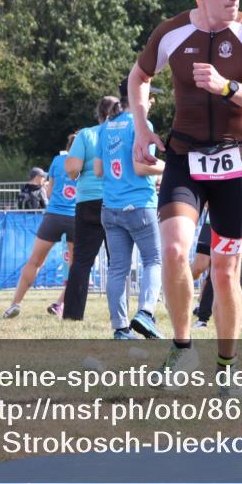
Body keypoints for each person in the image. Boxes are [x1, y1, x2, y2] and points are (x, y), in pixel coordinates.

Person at [129, 0, 242, 382]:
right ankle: (182, 349)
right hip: (184, 158)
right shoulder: (171, 33)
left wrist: (228, 87)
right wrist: (142, 129)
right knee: (176, 249)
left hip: (236, 163)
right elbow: (138, 77)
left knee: (224, 267)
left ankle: (227, 367)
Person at [93, 79, 166, 340]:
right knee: (154, 260)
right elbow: (141, 167)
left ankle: (121, 329)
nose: (153, 101)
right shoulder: (142, 124)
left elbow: (99, 170)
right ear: (139, 96)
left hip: (111, 208)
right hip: (139, 205)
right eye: (151, 95)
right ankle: (146, 313)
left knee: (117, 269)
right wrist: (170, 168)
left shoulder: (105, 127)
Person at [3, 134, 78, 319]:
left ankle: (15, 304)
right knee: (77, 267)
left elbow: (49, 191)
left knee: (35, 262)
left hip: (52, 216)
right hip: (76, 218)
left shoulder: (58, 160)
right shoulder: (87, 164)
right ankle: (60, 305)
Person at [62, 96, 122, 321]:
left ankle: (72, 315)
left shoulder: (86, 134)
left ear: (98, 114)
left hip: (88, 201)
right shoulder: (124, 133)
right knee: (118, 262)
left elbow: (73, 168)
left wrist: (72, 169)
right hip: (116, 199)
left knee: (81, 261)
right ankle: (119, 315)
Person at [194, 167, 242, 327]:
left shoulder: (222, 167)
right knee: (240, 279)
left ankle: (204, 318)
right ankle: (234, 316)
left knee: (216, 275)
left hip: (223, 231)